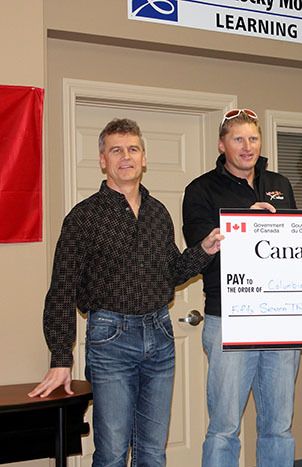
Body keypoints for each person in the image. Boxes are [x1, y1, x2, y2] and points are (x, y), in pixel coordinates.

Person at [29, 118, 223, 467]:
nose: (126, 156)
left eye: (133, 149)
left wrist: (204, 250)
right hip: (110, 341)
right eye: (116, 150)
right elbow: (62, 288)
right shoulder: (84, 217)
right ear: (102, 159)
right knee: (112, 453)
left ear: (144, 158)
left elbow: (173, 273)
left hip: (160, 337)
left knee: (152, 452)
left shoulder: (157, 213)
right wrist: (61, 356)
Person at [182, 108, 299, 467]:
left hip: (279, 319)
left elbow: (298, 244)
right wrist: (247, 220)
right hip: (228, 318)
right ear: (222, 144)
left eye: (252, 138)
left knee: (278, 427)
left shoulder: (279, 183)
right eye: (238, 139)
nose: (247, 147)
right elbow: (200, 252)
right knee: (224, 427)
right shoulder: (200, 190)